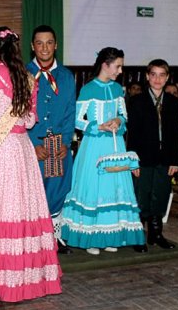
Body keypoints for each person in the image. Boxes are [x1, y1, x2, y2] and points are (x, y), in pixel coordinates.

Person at [0, 27, 62, 302]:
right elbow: (29, 121)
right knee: (21, 211)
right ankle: (25, 282)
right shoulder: (28, 78)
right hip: (21, 150)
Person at [60, 47, 145, 255]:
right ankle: (91, 237)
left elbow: (124, 115)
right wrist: (98, 126)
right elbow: (76, 120)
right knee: (94, 188)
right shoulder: (88, 89)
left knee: (113, 188)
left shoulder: (117, 89)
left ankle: (109, 235)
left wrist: (118, 120)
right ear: (105, 65)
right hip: (94, 146)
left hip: (115, 145)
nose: (120, 71)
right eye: (118, 66)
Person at [25, 25, 76, 254]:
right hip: (30, 143)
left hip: (57, 143)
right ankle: (33, 239)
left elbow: (70, 112)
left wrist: (65, 141)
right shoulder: (22, 74)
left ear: (56, 45)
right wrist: (32, 144)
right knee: (31, 191)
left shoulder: (66, 76)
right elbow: (16, 113)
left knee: (56, 189)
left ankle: (53, 237)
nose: (44, 48)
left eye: (49, 43)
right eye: (39, 43)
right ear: (32, 46)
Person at [127, 59, 178, 253]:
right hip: (143, 157)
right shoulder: (137, 101)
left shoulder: (173, 102)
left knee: (161, 194)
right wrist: (133, 160)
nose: (157, 79)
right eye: (153, 75)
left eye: (162, 75)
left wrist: (175, 160)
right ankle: (138, 235)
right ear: (147, 77)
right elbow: (132, 135)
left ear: (167, 78)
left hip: (165, 158)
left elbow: (176, 134)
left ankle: (156, 233)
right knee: (142, 196)